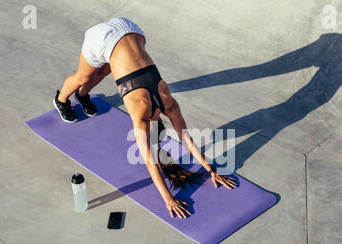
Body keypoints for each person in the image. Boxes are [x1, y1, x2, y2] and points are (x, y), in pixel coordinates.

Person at [54, 17, 236, 219]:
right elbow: (152, 161)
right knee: (83, 76)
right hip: (103, 38)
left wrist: (212, 170)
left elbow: (186, 140)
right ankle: (61, 100)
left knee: (105, 69)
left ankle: (82, 95)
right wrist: (168, 198)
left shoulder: (169, 104)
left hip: (131, 29)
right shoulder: (140, 116)